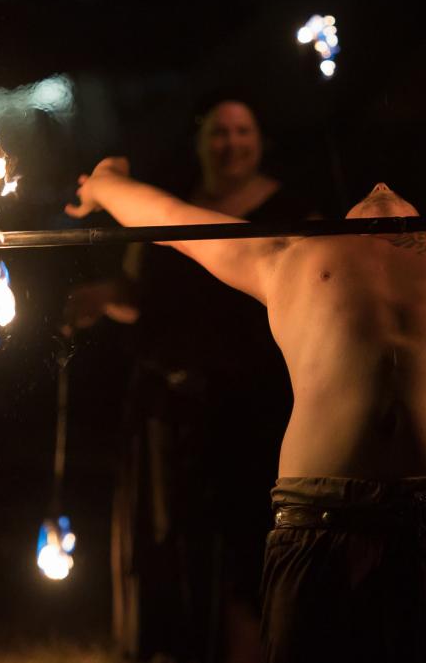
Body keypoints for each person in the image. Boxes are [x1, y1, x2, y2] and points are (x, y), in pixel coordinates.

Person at [66, 50, 426, 663]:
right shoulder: (291, 258)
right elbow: (173, 220)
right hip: (321, 523)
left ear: (417, 218)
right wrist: (107, 186)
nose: (378, 186)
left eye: (391, 189)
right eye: (368, 191)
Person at [65, 99, 315, 663]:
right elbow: (141, 297)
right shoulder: (165, 212)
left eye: (243, 130)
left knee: (242, 550)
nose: (231, 143)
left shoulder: (294, 212)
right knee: (170, 545)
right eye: (219, 132)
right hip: (164, 408)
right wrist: (105, 300)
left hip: (251, 407)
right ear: (200, 140)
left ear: (261, 139)